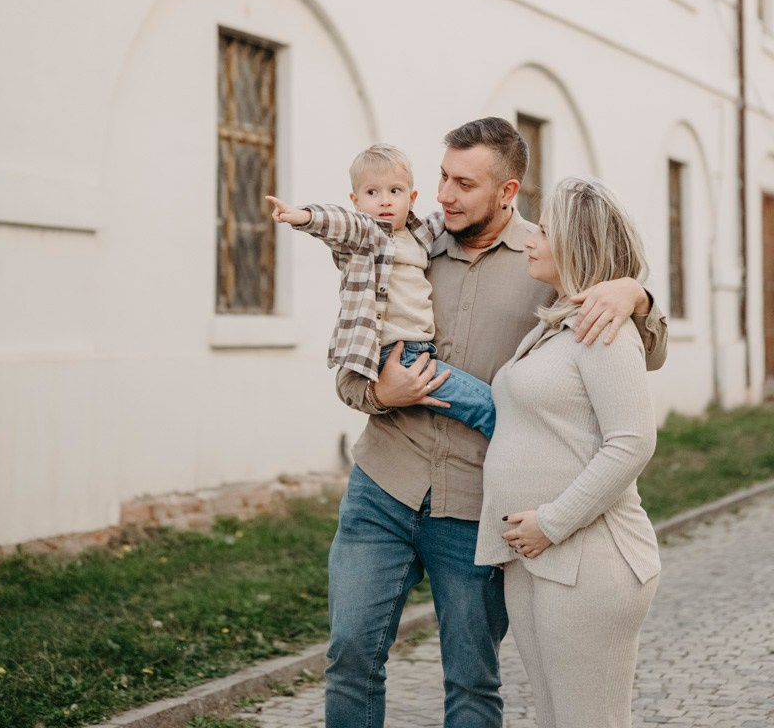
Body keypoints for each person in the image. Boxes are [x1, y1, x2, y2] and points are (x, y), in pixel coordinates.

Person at [325, 118, 667, 728]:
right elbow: (352, 359)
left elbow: (641, 357)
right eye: (441, 178)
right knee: (351, 654)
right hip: (385, 482)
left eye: (463, 183)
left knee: (473, 678)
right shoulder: (402, 246)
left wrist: (635, 296)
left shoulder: (550, 255)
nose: (444, 196)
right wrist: (380, 390)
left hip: (478, 501)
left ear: (508, 192)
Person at [475, 177, 661, 728]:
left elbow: (632, 443)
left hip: (590, 557)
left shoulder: (604, 326)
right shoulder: (556, 324)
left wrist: (552, 523)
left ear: (578, 243)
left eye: (547, 229)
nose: (531, 236)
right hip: (537, 557)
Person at [266, 143, 496, 437]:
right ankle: (516, 456)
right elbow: (341, 223)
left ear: (411, 199)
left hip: (423, 350)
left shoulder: (418, 234)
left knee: (465, 408)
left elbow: (446, 218)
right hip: (397, 354)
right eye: (372, 193)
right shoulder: (365, 235)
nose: (384, 201)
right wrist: (305, 217)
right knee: (486, 406)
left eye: (395, 191)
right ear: (357, 201)